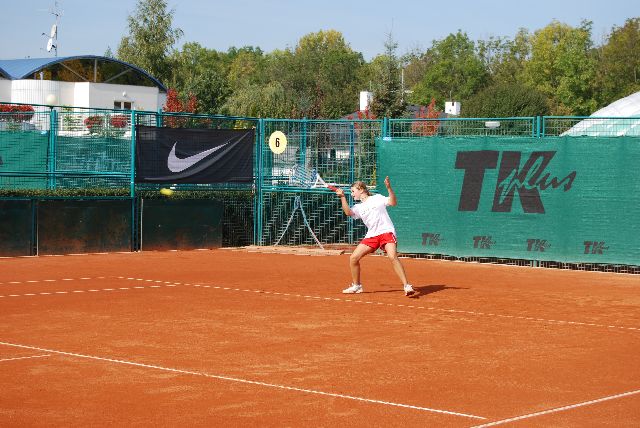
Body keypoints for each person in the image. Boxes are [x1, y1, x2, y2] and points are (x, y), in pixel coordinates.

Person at [335, 176, 415, 296]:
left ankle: (407, 286)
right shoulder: (358, 207)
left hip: (386, 231)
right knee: (353, 258)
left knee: (392, 256)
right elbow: (348, 212)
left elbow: (393, 202)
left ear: (361, 189)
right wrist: (342, 197)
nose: (351, 194)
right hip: (372, 235)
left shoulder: (377, 198)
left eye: (353, 191)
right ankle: (357, 286)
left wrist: (389, 188)